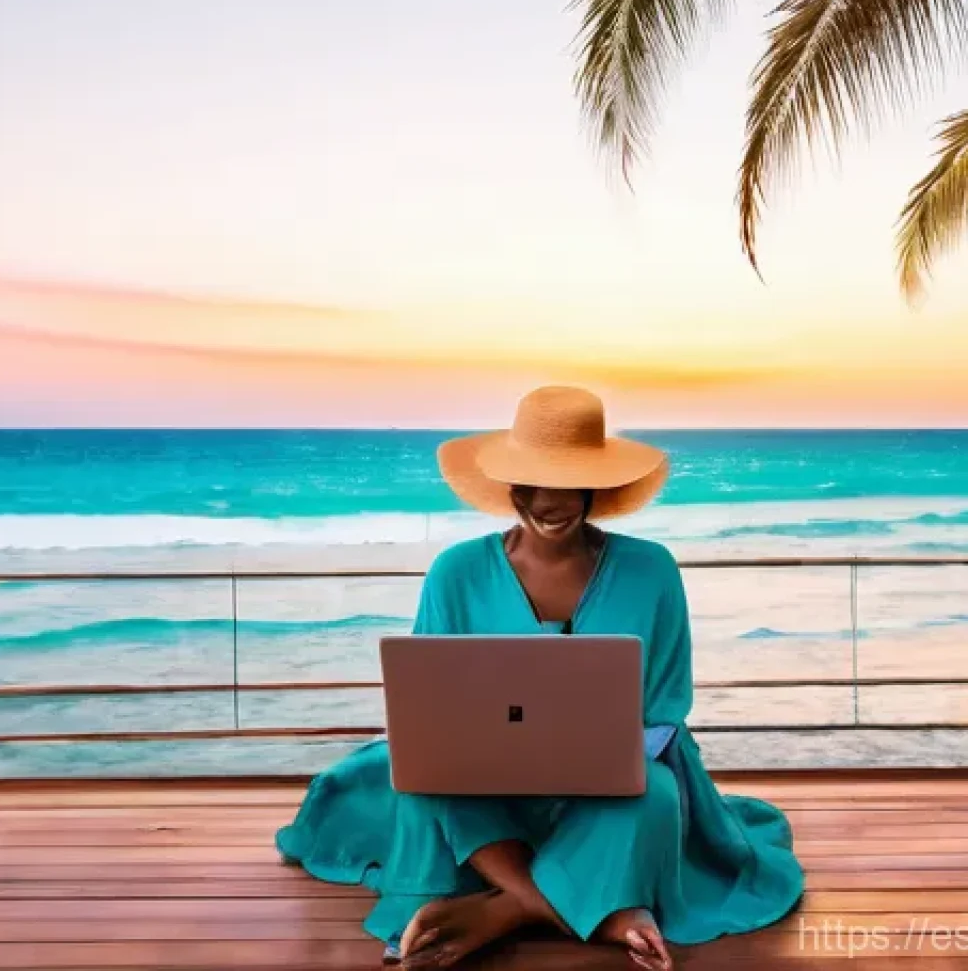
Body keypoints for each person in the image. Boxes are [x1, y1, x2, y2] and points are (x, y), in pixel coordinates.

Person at [276, 385, 804, 969]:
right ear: (509, 487)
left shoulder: (651, 569)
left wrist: (603, 758)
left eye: (568, 482)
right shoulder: (457, 573)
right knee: (425, 780)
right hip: (486, 785)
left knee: (655, 797)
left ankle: (498, 912)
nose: (550, 502)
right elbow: (427, 704)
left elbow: (665, 707)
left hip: (611, 783)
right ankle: (581, 904)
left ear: (594, 488)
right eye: (533, 482)